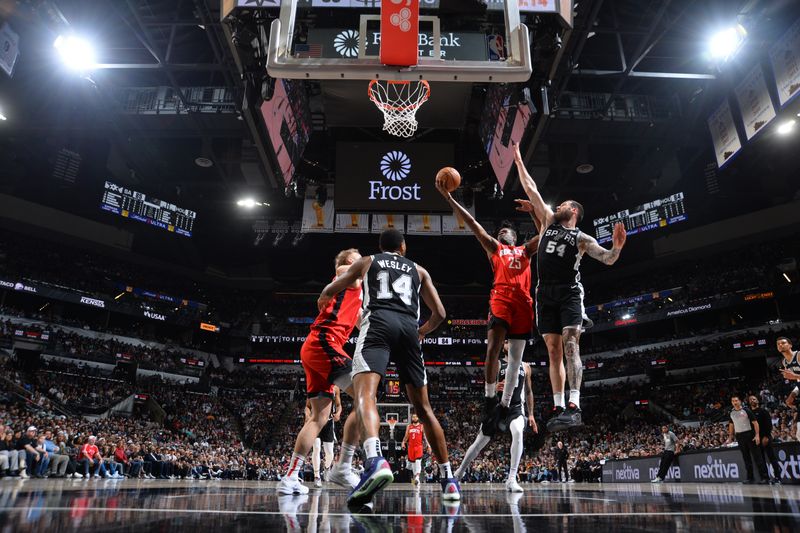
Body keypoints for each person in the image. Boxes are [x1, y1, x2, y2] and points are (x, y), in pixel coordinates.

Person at [318, 229, 460, 508]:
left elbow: (340, 283)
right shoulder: (419, 270)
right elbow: (441, 314)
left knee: (365, 397)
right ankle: (449, 479)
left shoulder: (369, 261)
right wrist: (422, 332)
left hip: (378, 326)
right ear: (403, 247)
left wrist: (325, 294)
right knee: (424, 409)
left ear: (380, 247)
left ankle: (374, 459)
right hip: (408, 329)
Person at [513, 141, 627, 432]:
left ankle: (574, 404)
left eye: (564, 203)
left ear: (574, 211)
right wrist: (517, 159)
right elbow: (531, 189)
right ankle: (558, 405)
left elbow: (609, 260)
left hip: (568, 292)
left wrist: (617, 247)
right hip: (544, 292)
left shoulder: (582, 238)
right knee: (552, 349)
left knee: (570, 342)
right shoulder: (549, 223)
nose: (559, 205)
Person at [435, 178, 539, 431]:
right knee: (493, 348)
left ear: (515, 236)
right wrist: (449, 199)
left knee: (516, 361)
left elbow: (547, 232)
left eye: (506, 232)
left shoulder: (526, 250)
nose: (501, 233)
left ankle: (504, 407)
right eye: (499, 232)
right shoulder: (495, 249)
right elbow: (472, 224)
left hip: (524, 302)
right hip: (501, 299)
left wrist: (534, 211)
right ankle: (490, 397)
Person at [278, 249, 365, 496]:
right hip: (324, 343)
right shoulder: (346, 275)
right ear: (351, 261)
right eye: (359, 256)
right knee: (365, 397)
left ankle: (290, 477)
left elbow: (361, 320)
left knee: (319, 418)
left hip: (315, 347)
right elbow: (342, 271)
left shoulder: (354, 291)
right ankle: (345, 466)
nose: (364, 259)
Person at [453, 341, 537, 492]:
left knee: (518, 432)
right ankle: (459, 473)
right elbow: (487, 387)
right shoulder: (497, 364)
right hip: (497, 407)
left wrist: (531, 414)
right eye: (505, 341)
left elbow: (529, 391)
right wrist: (496, 386)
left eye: (511, 341)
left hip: (516, 408)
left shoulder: (526, 366)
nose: (508, 343)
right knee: (479, 443)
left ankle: (511, 478)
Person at [727, 395, 769, 484]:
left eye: (736, 400)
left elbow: (755, 423)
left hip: (749, 434)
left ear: (740, 401)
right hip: (739, 436)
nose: (735, 402)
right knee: (746, 458)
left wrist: (757, 435)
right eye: (733, 401)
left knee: (757, 457)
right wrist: (730, 436)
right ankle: (750, 478)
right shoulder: (731, 413)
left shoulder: (746, 410)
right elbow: (731, 425)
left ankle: (765, 477)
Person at [306, 386, 341, 488]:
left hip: (328, 422)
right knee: (316, 448)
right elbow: (307, 406)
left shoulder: (335, 388)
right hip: (315, 421)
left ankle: (326, 468)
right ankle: (317, 476)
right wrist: (307, 415)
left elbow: (338, 405)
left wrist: (338, 413)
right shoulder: (314, 385)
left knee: (330, 453)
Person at [747, 395, 781, 484]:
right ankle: (766, 478)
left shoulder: (763, 411)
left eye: (754, 399)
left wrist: (766, 436)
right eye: (750, 400)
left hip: (765, 437)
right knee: (761, 460)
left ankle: (778, 477)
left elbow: (769, 424)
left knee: (771, 457)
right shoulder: (749, 413)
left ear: (757, 401)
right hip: (756, 439)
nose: (752, 400)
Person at [401, 413, 431, 487]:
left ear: (418, 418)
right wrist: (403, 442)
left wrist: (429, 446)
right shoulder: (409, 426)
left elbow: (425, 437)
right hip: (410, 447)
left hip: (418, 447)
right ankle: (416, 478)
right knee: (413, 464)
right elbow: (406, 436)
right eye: (413, 417)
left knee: (418, 461)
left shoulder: (421, 426)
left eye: (416, 417)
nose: (414, 418)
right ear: (412, 418)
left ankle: (417, 477)